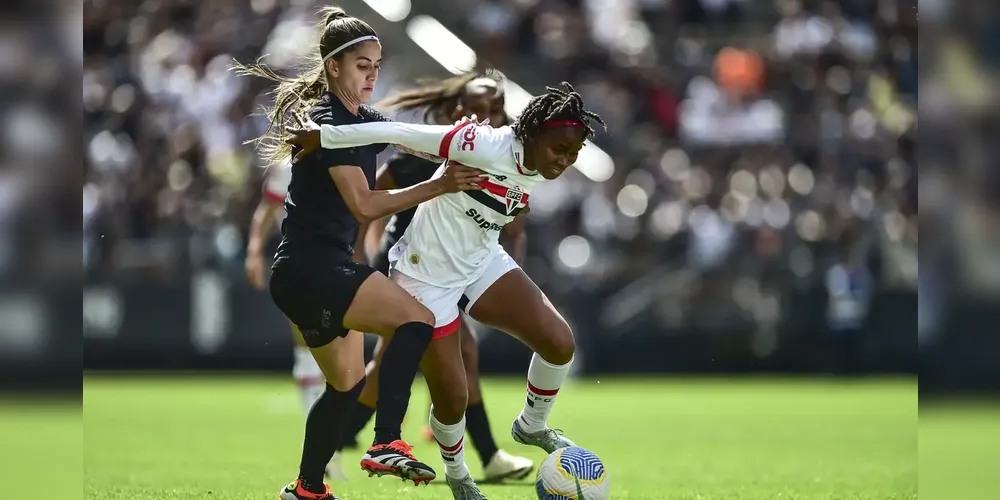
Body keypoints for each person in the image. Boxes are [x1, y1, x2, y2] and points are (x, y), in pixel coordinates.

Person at [287, 82, 606, 500]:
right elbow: (400, 133)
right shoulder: (479, 142)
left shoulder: (535, 163)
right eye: (559, 149)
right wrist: (324, 136)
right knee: (453, 399)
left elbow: (504, 199)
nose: (564, 160)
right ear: (530, 135)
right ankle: (458, 476)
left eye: (573, 153)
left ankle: (531, 426)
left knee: (560, 342)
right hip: (425, 276)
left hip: (481, 260)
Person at [232, 7, 487, 500]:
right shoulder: (327, 121)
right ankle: (388, 440)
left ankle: (306, 489)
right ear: (333, 67)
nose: (373, 74)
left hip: (305, 274)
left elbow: (411, 141)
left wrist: (465, 140)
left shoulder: (362, 121)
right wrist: (440, 184)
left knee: (345, 387)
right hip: (315, 268)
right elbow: (365, 204)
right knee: (416, 320)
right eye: (361, 65)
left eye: (376, 65)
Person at [336, 71, 534, 484]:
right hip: (412, 267)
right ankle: (487, 454)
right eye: (477, 109)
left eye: (494, 110)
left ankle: (335, 440)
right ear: (457, 112)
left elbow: (513, 229)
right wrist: (362, 252)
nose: (486, 117)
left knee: (406, 363)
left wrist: (501, 272)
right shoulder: (419, 157)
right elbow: (372, 204)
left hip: (460, 271)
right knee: (447, 355)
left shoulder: (503, 160)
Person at [244, 159, 346, 481]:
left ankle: (346, 437)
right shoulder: (289, 165)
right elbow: (268, 209)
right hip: (301, 261)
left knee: (340, 354)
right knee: (307, 348)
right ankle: (323, 445)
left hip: (342, 258)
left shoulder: (351, 150)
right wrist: (254, 249)